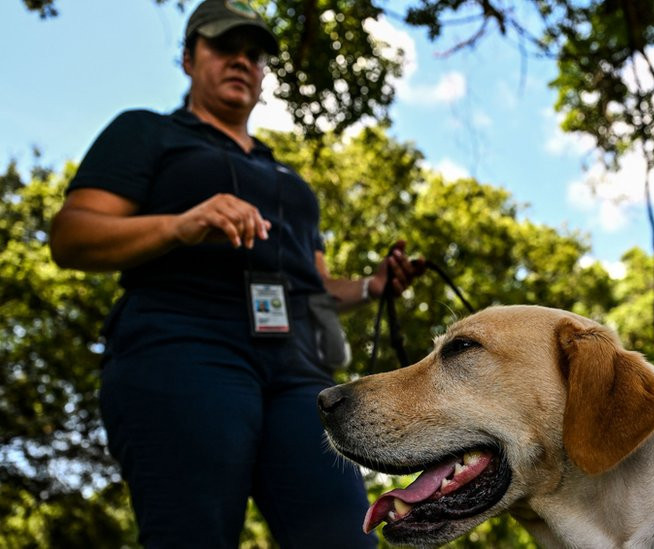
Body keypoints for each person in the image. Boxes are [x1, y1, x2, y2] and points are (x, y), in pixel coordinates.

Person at [48, 1, 423, 546]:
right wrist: (181, 225)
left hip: (297, 366)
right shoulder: (148, 133)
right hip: (181, 345)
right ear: (187, 58)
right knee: (193, 533)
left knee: (345, 534)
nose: (241, 62)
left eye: (255, 54)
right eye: (224, 47)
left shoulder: (288, 177)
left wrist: (372, 286)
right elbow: (72, 236)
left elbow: (316, 286)